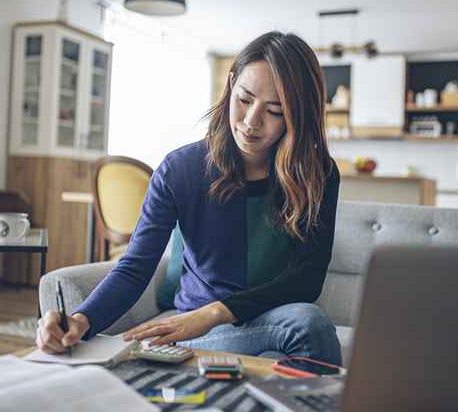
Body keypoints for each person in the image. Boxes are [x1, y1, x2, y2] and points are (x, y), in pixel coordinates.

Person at [36, 31, 342, 365]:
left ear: (298, 116)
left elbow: (307, 279)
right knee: (305, 328)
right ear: (230, 85)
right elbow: (135, 267)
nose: (251, 122)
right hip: (201, 330)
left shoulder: (318, 174)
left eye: (275, 111)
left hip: (264, 319)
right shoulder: (180, 169)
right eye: (244, 99)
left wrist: (212, 313)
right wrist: (81, 320)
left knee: (306, 324)